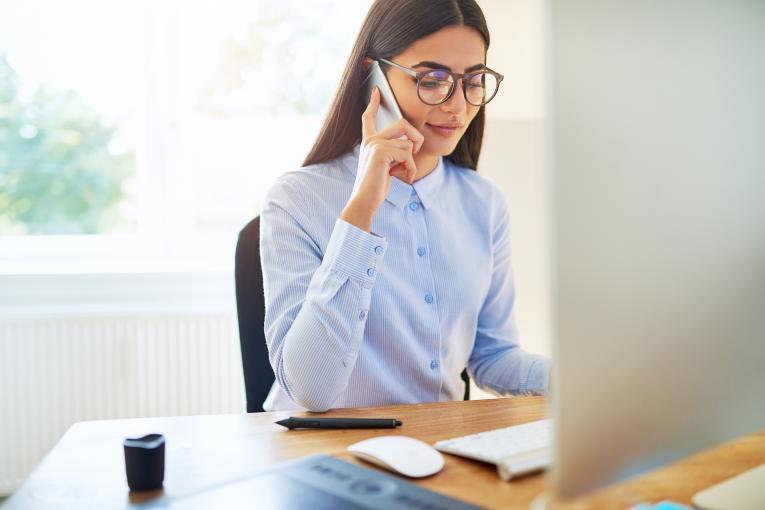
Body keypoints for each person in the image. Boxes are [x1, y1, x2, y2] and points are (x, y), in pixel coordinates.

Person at [259, 0, 550, 412]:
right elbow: (311, 390)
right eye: (432, 79)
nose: (457, 105)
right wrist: (362, 208)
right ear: (372, 74)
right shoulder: (296, 200)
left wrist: (578, 379)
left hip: (434, 454)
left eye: (474, 80)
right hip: (321, 453)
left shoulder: (483, 204)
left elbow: (492, 356)